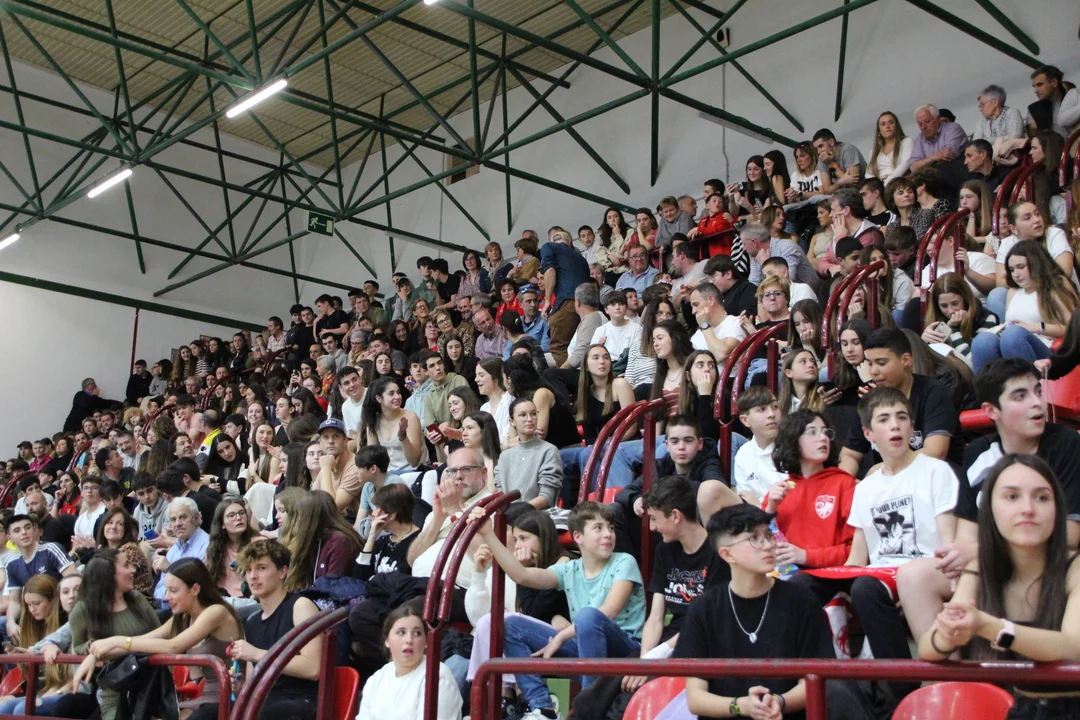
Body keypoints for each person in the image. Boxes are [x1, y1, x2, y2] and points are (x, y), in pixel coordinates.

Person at [917, 454, 1080, 718]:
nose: (1028, 508)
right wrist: (947, 635)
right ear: (990, 511)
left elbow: (1073, 650)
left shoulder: (1075, 567)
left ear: (1058, 510)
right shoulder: (981, 565)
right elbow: (928, 647)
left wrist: (990, 627)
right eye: (1012, 496)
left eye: (1041, 497)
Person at [469, 501, 646, 719]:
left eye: (610, 528)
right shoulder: (569, 569)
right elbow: (521, 575)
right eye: (598, 528)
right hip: (584, 649)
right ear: (578, 537)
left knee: (588, 616)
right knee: (510, 625)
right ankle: (542, 707)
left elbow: (607, 611)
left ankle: (588, 709)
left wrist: (561, 636)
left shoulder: (624, 561)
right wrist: (488, 534)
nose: (608, 534)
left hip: (625, 650)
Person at [673, 504, 839, 720]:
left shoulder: (802, 601)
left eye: (768, 536)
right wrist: (740, 706)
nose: (768, 545)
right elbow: (696, 698)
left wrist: (780, 702)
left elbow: (817, 680)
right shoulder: (703, 608)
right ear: (727, 554)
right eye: (754, 539)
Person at [79, 558, 244, 719]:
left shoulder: (217, 612)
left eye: (173, 590)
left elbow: (172, 646)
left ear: (195, 589)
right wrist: (96, 654)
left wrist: (117, 640)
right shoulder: (183, 618)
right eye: (166, 590)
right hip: (199, 702)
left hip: (228, 701)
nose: (166, 597)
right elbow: (143, 641)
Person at [838, 328, 957, 476]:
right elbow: (849, 454)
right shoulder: (871, 399)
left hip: (936, 480)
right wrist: (846, 482)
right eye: (869, 363)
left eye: (881, 363)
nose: (873, 371)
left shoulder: (933, 392)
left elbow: (936, 452)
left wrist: (882, 469)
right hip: (889, 484)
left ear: (905, 360)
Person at [227, 540, 322, 719]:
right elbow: (253, 682)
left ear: (282, 572)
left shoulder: (300, 606)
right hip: (263, 702)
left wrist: (258, 654)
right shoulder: (252, 621)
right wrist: (240, 686)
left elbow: (313, 668)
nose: (253, 576)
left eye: (261, 568)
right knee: (207, 713)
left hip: (299, 701)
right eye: (248, 570)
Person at [69, 548, 162, 720]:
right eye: (126, 565)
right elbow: (79, 647)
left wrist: (113, 645)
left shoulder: (137, 598)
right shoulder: (82, 610)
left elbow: (161, 635)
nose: (133, 570)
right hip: (115, 693)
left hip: (153, 687)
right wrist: (93, 648)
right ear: (108, 575)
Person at [767, 411, 857, 570]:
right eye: (812, 432)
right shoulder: (780, 491)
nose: (823, 438)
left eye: (825, 432)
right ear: (793, 440)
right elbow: (758, 544)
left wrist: (806, 556)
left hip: (828, 574)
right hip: (784, 573)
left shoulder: (844, 484)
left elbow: (856, 551)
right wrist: (770, 509)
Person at [974, 241, 1080, 371]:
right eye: (1012, 270)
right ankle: (991, 384)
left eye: (1021, 267)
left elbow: (1073, 329)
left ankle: (1029, 382)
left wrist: (1034, 327)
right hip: (1013, 346)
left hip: (1050, 352)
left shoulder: (1057, 283)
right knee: (983, 341)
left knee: (1013, 335)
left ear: (1036, 264)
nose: (1015, 274)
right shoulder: (1013, 291)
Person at [356, 604, 463, 720]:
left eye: (417, 633)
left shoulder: (437, 676)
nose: (409, 640)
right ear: (387, 640)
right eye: (401, 632)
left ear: (426, 641)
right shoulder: (376, 679)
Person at [4, 514, 77, 644]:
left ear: (34, 530)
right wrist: (10, 622)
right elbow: (15, 601)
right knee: (6, 624)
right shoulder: (12, 563)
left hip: (60, 608)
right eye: (17, 530)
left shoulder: (51, 549)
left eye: (27, 527)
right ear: (9, 539)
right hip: (36, 612)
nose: (24, 532)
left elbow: (75, 580)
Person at [281, 491, 362, 591]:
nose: (298, 520)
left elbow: (332, 584)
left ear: (309, 517)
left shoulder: (340, 541)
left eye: (300, 515)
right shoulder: (315, 538)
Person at [494, 398, 563, 510]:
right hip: (509, 516)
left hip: (538, 516)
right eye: (523, 415)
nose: (530, 419)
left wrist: (517, 511)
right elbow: (500, 495)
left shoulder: (549, 450)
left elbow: (547, 497)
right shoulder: (504, 457)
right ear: (512, 422)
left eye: (533, 414)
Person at [541, 230, 591, 366]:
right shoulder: (582, 259)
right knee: (582, 348)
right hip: (587, 306)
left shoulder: (548, 247)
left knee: (559, 346)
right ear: (570, 243)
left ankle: (570, 378)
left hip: (567, 302)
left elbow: (550, 270)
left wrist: (547, 301)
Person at [359, 376, 427, 473]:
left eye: (398, 392)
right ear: (379, 398)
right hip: (388, 473)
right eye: (391, 394)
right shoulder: (373, 420)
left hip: (414, 472)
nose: (397, 397)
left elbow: (414, 461)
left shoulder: (410, 417)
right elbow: (373, 457)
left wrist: (403, 437)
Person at [733, 386, 788, 505]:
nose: (771, 414)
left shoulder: (794, 445)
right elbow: (746, 500)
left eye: (775, 407)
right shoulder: (743, 455)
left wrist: (759, 505)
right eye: (762, 409)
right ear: (745, 420)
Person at [355, 483, 420, 580]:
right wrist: (371, 537)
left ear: (392, 514)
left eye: (377, 509)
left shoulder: (418, 542)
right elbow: (358, 577)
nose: (373, 513)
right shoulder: (382, 541)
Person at [204, 498, 260, 604]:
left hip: (250, 600)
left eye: (242, 513)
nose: (238, 518)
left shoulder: (259, 544)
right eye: (232, 515)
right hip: (221, 598)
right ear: (222, 524)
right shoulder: (215, 548)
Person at [95, 507, 155, 597]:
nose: (113, 527)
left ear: (126, 529)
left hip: (137, 601)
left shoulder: (131, 549)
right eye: (110, 522)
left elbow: (111, 581)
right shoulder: (103, 549)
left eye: (120, 524)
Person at [743, 222, 819, 290]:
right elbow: (753, 285)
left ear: (754, 242)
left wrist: (766, 263)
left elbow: (786, 283)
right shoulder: (756, 255)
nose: (744, 248)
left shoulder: (787, 247)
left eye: (744, 244)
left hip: (809, 296)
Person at [315, 417, 364, 516]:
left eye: (336, 436)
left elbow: (331, 508)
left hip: (352, 521)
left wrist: (326, 469)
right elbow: (313, 501)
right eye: (326, 437)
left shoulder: (356, 466)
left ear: (345, 440)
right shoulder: (328, 462)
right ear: (320, 443)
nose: (330, 441)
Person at [688, 281, 746, 363]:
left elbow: (721, 354)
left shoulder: (736, 322)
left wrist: (704, 326)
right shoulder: (696, 336)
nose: (693, 311)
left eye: (696, 304)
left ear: (711, 300)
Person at [909, 104, 967, 174]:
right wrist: (935, 157)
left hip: (957, 173)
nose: (923, 127)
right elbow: (913, 167)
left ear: (938, 118)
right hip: (933, 177)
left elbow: (948, 155)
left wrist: (924, 162)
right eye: (920, 124)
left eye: (927, 121)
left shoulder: (952, 128)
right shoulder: (919, 138)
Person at [1025, 65, 1080, 138]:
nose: (1036, 90)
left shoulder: (1075, 97)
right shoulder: (1034, 109)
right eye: (1034, 86)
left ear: (1054, 82)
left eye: (1040, 85)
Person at [422, 352, 470, 428]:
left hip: (464, 429)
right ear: (426, 372)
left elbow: (469, 409)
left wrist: (450, 426)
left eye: (439, 363)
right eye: (432, 366)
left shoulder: (458, 380)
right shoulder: (429, 395)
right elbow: (430, 424)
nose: (437, 368)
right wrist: (434, 432)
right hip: (442, 433)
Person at [866, 111, 913, 182]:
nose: (887, 126)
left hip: (900, 181)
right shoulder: (873, 152)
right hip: (880, 184)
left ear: (896, 126)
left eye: (891, 122)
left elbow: (906, 163)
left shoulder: (907, 141)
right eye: (883, 124)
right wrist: (876, 185)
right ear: (879, 131)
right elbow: (869, 174)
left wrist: (888, 182)